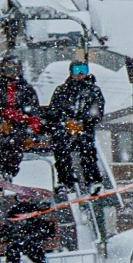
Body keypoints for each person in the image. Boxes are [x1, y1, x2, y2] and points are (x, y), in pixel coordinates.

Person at [0, 57, 44, 182]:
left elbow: (35, 115)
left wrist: (31, 132)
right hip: (2, 125)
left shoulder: (27, 90)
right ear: (3, 72)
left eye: (16, 70)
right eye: (9, 71)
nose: (13, 74)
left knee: (14, 143)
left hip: (21, 125)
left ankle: (9, 171)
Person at [46, 62, 106, 193]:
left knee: (87, 150)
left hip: (84, 128)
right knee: (61, 149)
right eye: (76, 71)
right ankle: (66, 181)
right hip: (65, 129)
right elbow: (53, 111)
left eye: (83, 71)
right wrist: (66, 122)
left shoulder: (93, 91)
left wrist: (83, 123)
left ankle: (93, 181)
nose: (80, 74)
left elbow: (97, 111)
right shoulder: (62, 90)